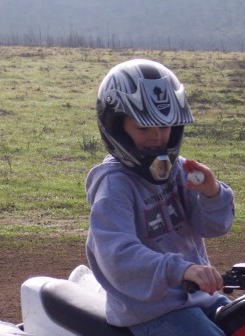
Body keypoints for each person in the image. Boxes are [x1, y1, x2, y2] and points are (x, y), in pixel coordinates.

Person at [86, 59, 235, 336]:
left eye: (165, 127)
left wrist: (212, 195)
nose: (157, 138)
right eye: (143, 128)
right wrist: (182, 270)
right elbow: (118, 258)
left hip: (197, 296)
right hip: (150, 309)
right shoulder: (113, 184)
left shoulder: (177, 170)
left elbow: (212, 228)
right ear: (117, 128)